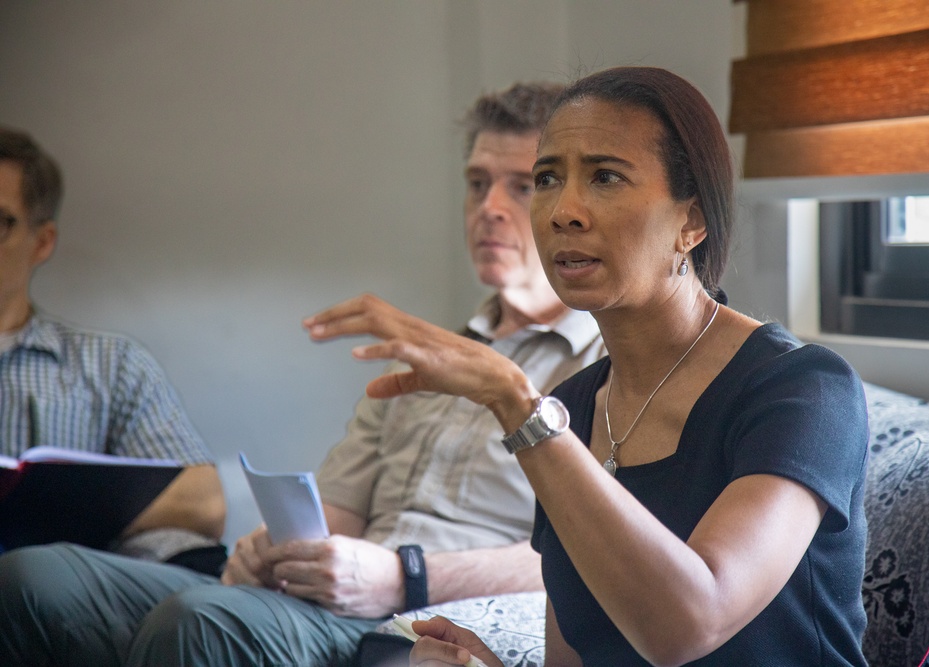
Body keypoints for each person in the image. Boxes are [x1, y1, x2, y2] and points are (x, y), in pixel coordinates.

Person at [0, 82, 606, 666]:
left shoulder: (604, 364)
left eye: (522, 186)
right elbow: (333, 513)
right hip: (339, 592)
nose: (490, 209)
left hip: (428, 610)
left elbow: (603, 555)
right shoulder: (426, 353)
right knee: (32, 578)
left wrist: (406, 577)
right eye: (477, 184)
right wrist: (271, 550)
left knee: (198, 622)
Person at [305, 67, 870, 666]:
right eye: (548, 178)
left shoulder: (802, 390)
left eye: (605, 177)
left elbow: (689, 623)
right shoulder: (572, 408)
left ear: (692, 221)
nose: (562, 211)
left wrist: (516, 403)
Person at [0, 126, 226, 563]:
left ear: (41, 242)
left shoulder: (108, 365)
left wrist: (44, 506)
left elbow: (203, 503)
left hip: (43, 593)